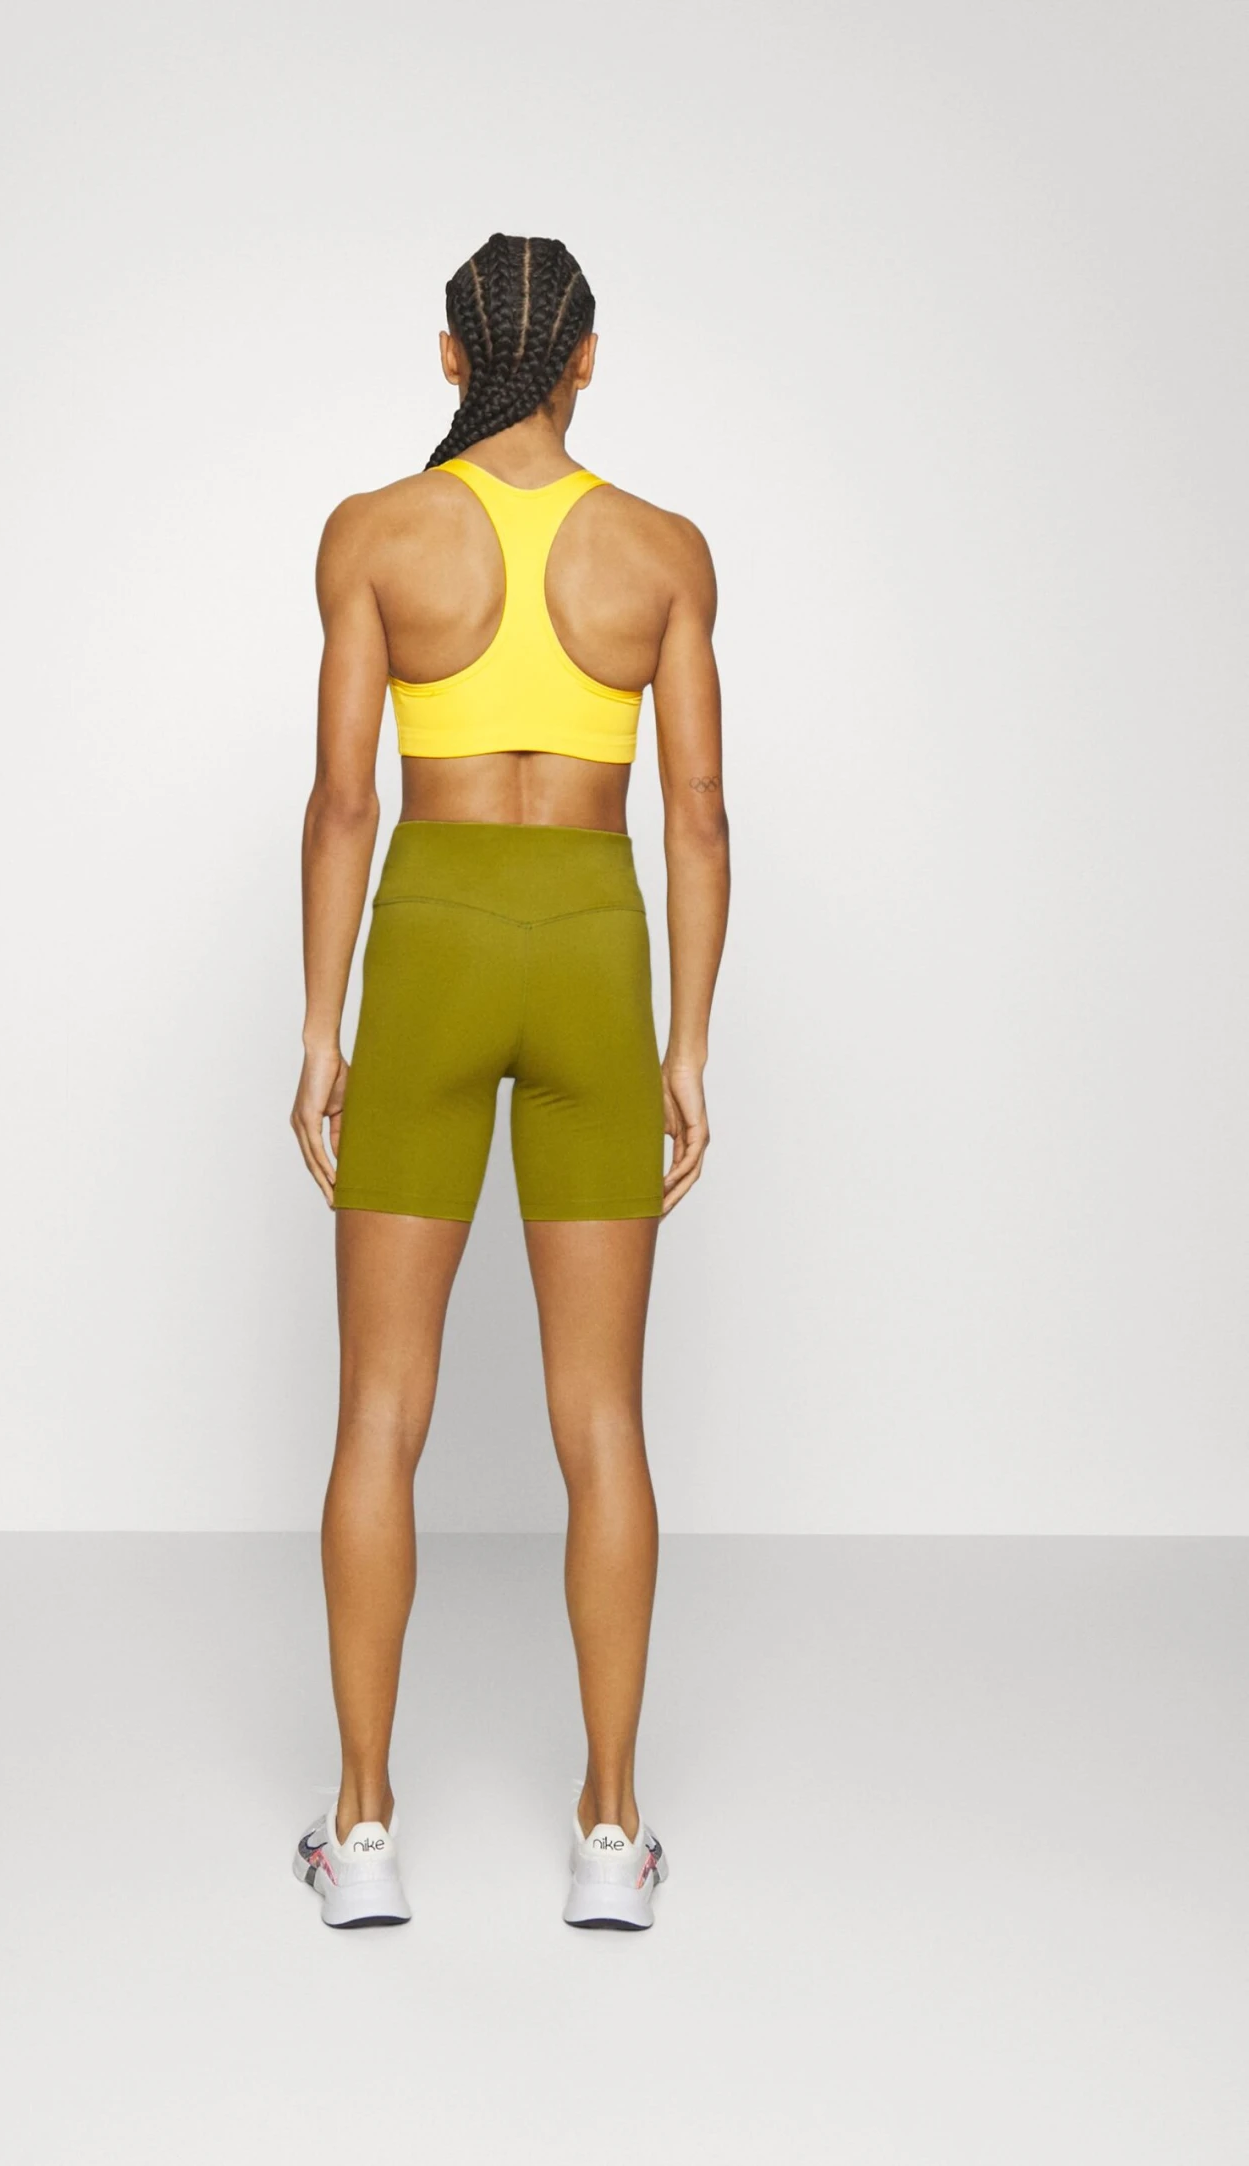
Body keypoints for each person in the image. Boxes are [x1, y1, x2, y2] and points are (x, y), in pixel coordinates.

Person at [289, 232, 729, 1929]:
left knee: (379, 1410)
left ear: (452, 358)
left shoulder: (374, 534)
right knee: (601, 1417)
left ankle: (363, 1829)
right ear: (589, 359)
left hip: (437, 937)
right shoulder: (663, 550)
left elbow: (346, 802)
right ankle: (613, 1831)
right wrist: (686, 1043)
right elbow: (698, 816)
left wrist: (321, 1025)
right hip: (594, 944)